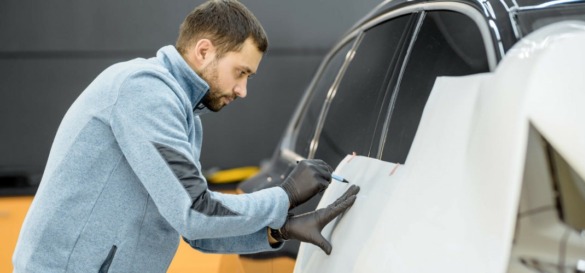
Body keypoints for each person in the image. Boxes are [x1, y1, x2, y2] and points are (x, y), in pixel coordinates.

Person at [12, 0, 360, 272]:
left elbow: (196, 231)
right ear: (204, 51)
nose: (243, 90)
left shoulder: (186, 119)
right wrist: (283, 197)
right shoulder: (144, 90)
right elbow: (195, 210)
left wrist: (276, 231)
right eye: (240, 72)